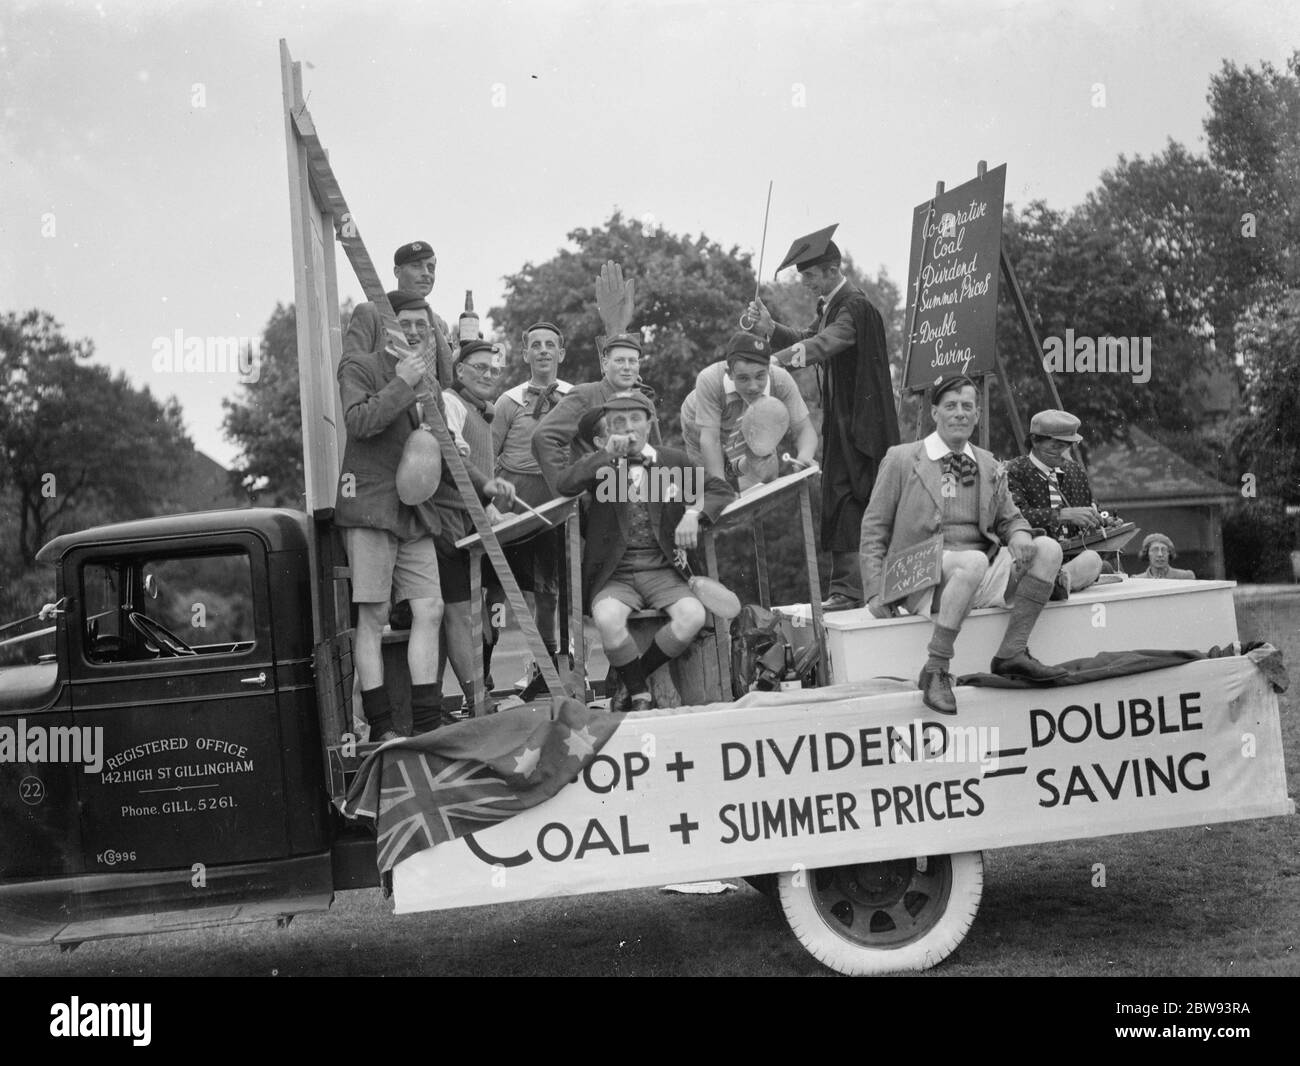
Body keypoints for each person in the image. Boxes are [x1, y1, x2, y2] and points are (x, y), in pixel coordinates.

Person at [860, 376, 1067, 715]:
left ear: (977, 414)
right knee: (971, 561)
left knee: (1049, 550)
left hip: (977, 571)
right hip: (919, 576)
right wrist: (873, 591)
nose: (959, 413)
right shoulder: (901, 459)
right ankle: (937, 669)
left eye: (967, 407)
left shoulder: (987, 463)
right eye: (951, 406)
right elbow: (874, 526)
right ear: (934, 413)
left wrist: (1020, 536)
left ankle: (1012, 654)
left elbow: (1010, 518)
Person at [747, 225, 900, 611]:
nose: (806, 284)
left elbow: (825, 343)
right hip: (843, 421)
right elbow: (808, 334)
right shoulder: (833, 304)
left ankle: (856, 590)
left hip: (863, 425)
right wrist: (771, 330)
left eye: (811, 276)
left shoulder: (854, 306)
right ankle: (848, 589)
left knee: (853, 497)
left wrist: (775, 360)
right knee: (840, 495)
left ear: (832, 270)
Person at [556, 392, 734, 712]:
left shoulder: (673, 461)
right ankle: (640, 693)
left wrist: (694, 515)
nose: (629, 428)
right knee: (607, 619)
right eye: (618, 423)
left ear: (650, 423)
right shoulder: (600, 467)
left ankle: (631, 681)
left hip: (664, 571)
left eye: (636, 419)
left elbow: (720, 490)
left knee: (693, 615)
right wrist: (603, 456)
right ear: (608, 432)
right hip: (616, 575)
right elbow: (564, 484)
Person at [333, 291, 449, 741]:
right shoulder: (359, 366)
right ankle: (383, 728)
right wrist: (401, 382)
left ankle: (428, 726)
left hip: (415, 513)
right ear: (386, 324)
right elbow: (359, 422)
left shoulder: (431, 381)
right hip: (370, 508)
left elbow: (430, 443)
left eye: (424, 324)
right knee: (374, 616)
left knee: (430, 608)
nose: (416, 332)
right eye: (406, 323)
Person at [493, 321, 575, 693]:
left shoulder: (576, 397)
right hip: (514, 508)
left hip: (557, 506)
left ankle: (555, 665)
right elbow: (487, 457)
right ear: (525, 354)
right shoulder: (508, 402)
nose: (543, 350)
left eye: (550, 345)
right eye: (536, 345)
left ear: (561, 353)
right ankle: (487, 675)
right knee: (501, 590)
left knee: (552, 593)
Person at [435, 340, 517, 703]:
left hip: (473, 523)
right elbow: (450, 456)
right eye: (479, 367)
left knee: (483, 615)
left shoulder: (483, 412)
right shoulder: (450, 402)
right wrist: (487, 489)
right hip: (446, 523)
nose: (488, 374)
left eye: (493, 369)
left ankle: (481, 690)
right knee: (458, 614)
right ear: (460, 370)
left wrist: (491, 510)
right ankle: (476, 700)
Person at [679, 331, 818, 489]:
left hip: (750, 419)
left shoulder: (780, 380)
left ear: (768, 368)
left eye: (760, 376)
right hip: (700, 423)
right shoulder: (709, 380)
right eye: (743, 378)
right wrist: (720, 489)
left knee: (768, 474)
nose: (753, 387)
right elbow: (711, 441)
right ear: (730, 374)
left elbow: (803, 429)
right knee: (711, 491)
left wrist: (805, 457)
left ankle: (738, 468)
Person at [533, 332, 656, 493]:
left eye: (632, 361)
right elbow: (543, 438)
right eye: (619, 360)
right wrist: (563, 491)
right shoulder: (585, 394)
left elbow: (656, 451)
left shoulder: (645, 402)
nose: (627, 367)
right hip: (593, 498)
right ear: (605, 364)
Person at [1004, 409, 1104, 593]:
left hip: (1071, 560)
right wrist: (1062, 515)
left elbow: (1091, 509)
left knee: (1093, 560)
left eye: (1068, 446)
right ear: (1035, 440)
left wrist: (1098, 519)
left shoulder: (1075, 471)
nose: (1064, 453)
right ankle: (1052, 585)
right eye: (1057, 446)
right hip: (1032, 560)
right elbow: (1013, 517)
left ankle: (1052, 585)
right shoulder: (1013, 470)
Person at [344, 240, 455, 388]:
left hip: (431, 408)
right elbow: (350, 372)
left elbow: (446, 378)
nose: (426, 273)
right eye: (416, 266)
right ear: (397, 271)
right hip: (386, 405)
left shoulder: (439, 324)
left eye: (431, 268)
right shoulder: (371, 313)